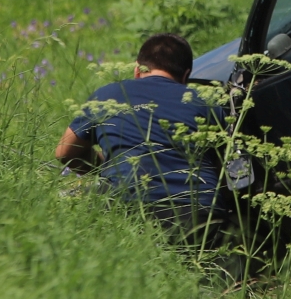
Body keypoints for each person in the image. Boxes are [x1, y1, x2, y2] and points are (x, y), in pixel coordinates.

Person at [56, 32, 225, 234]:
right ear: (186, 75)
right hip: (198, 213)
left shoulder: (107, 95)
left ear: (137, 69)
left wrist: (105, 168)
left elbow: (65, 152)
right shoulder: (206, 102)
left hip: (127, 205)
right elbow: (224, 163)